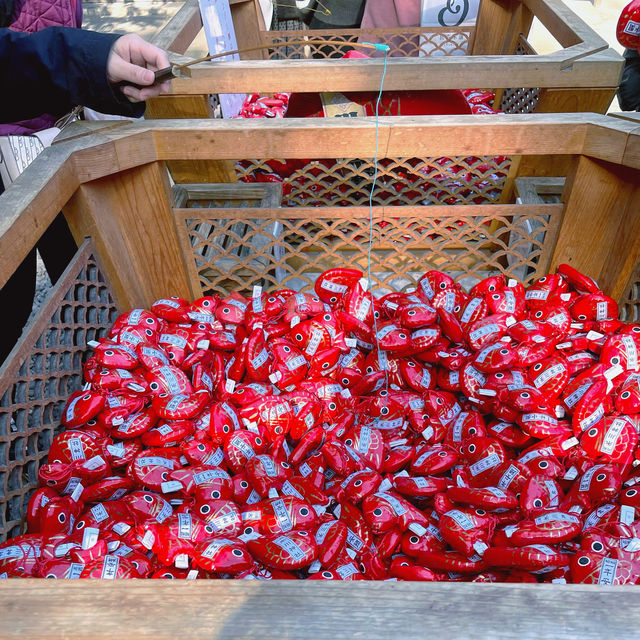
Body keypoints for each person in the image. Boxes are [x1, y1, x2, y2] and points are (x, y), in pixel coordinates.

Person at [0, 27, 170, 364]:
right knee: (14, 295)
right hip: (22, 145)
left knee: (80, 273)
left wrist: (95, 62)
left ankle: (99, 363)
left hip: (58, 133)